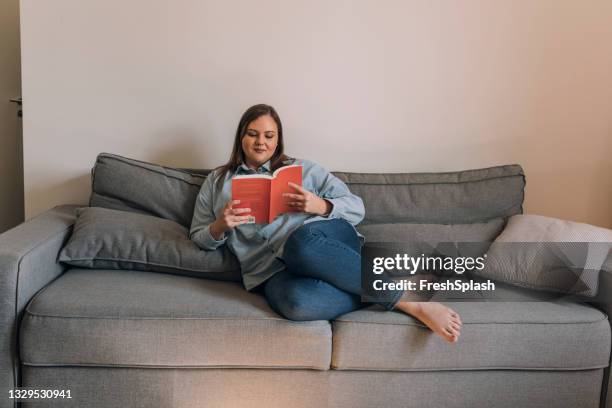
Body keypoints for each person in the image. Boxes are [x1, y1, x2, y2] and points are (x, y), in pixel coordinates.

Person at [190, 104, 462, 343]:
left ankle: (409, 302)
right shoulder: (216, 182)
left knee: (299, 244)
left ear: (278, 140)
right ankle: (371, 286)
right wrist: (220, 226)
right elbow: (198, 235)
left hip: (321, 244)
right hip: (271, 271)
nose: (261, 142)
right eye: (253, 134)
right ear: (241, 137)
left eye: (269, 136)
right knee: (297, 305)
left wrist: (320, 206)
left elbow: (357, 207)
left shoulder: (305, 170)